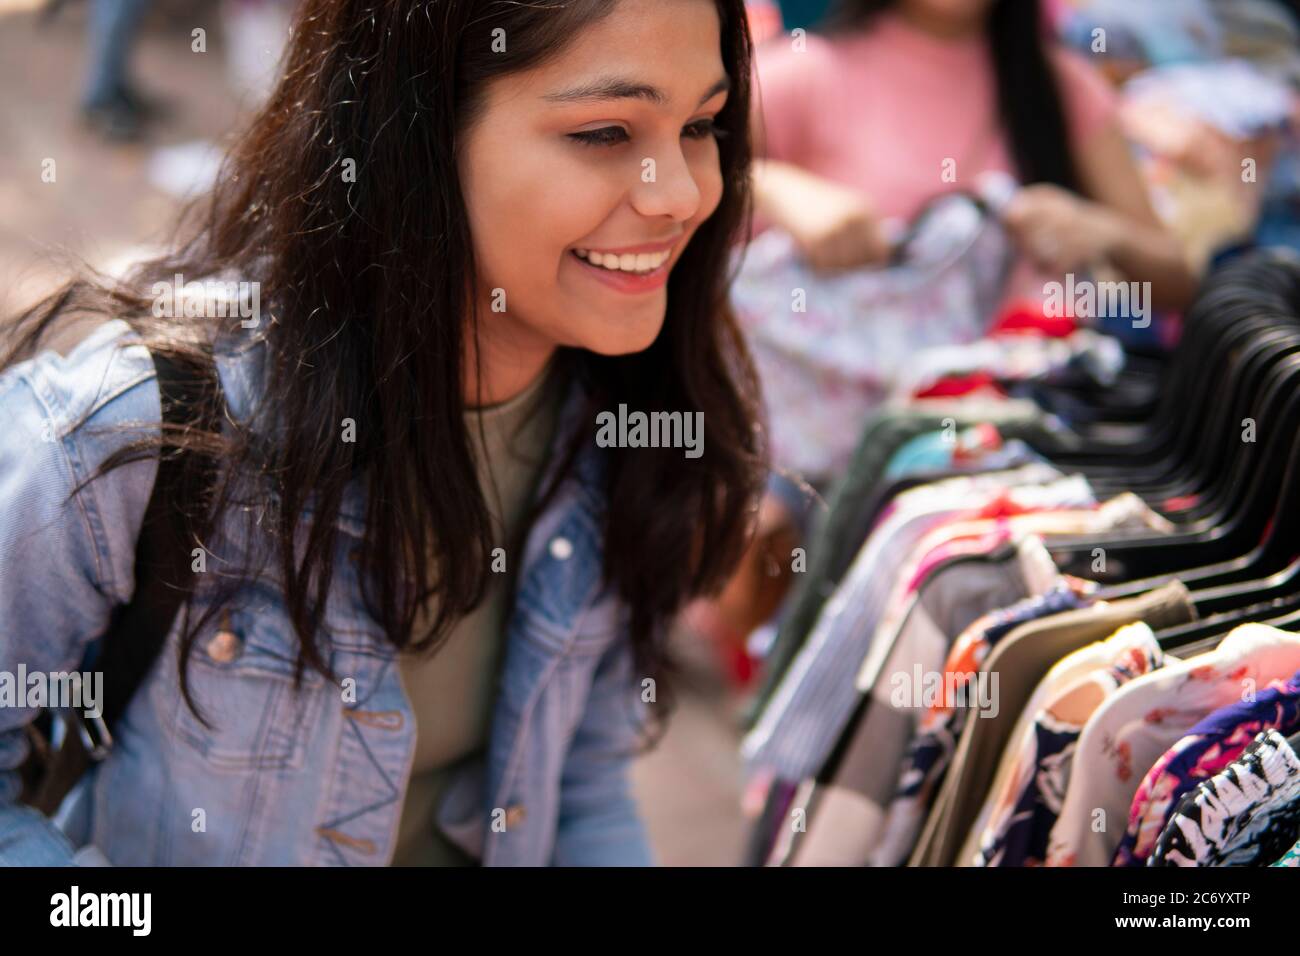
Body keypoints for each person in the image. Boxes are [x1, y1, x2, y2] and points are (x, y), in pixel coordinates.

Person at [0, 0, 764, 866]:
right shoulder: (143, 425)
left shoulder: (630, 431)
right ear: (418, 138)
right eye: (604, 133)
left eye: (702, 123)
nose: (686, 193)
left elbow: (581, 789)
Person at [695, 0, 1201, 669]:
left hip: (983, 446)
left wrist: (1099, 229)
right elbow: (682, 173)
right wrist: (778, 187)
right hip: (804, 439)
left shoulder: (1061, 90)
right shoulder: (807, 72)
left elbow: (1178, 279)